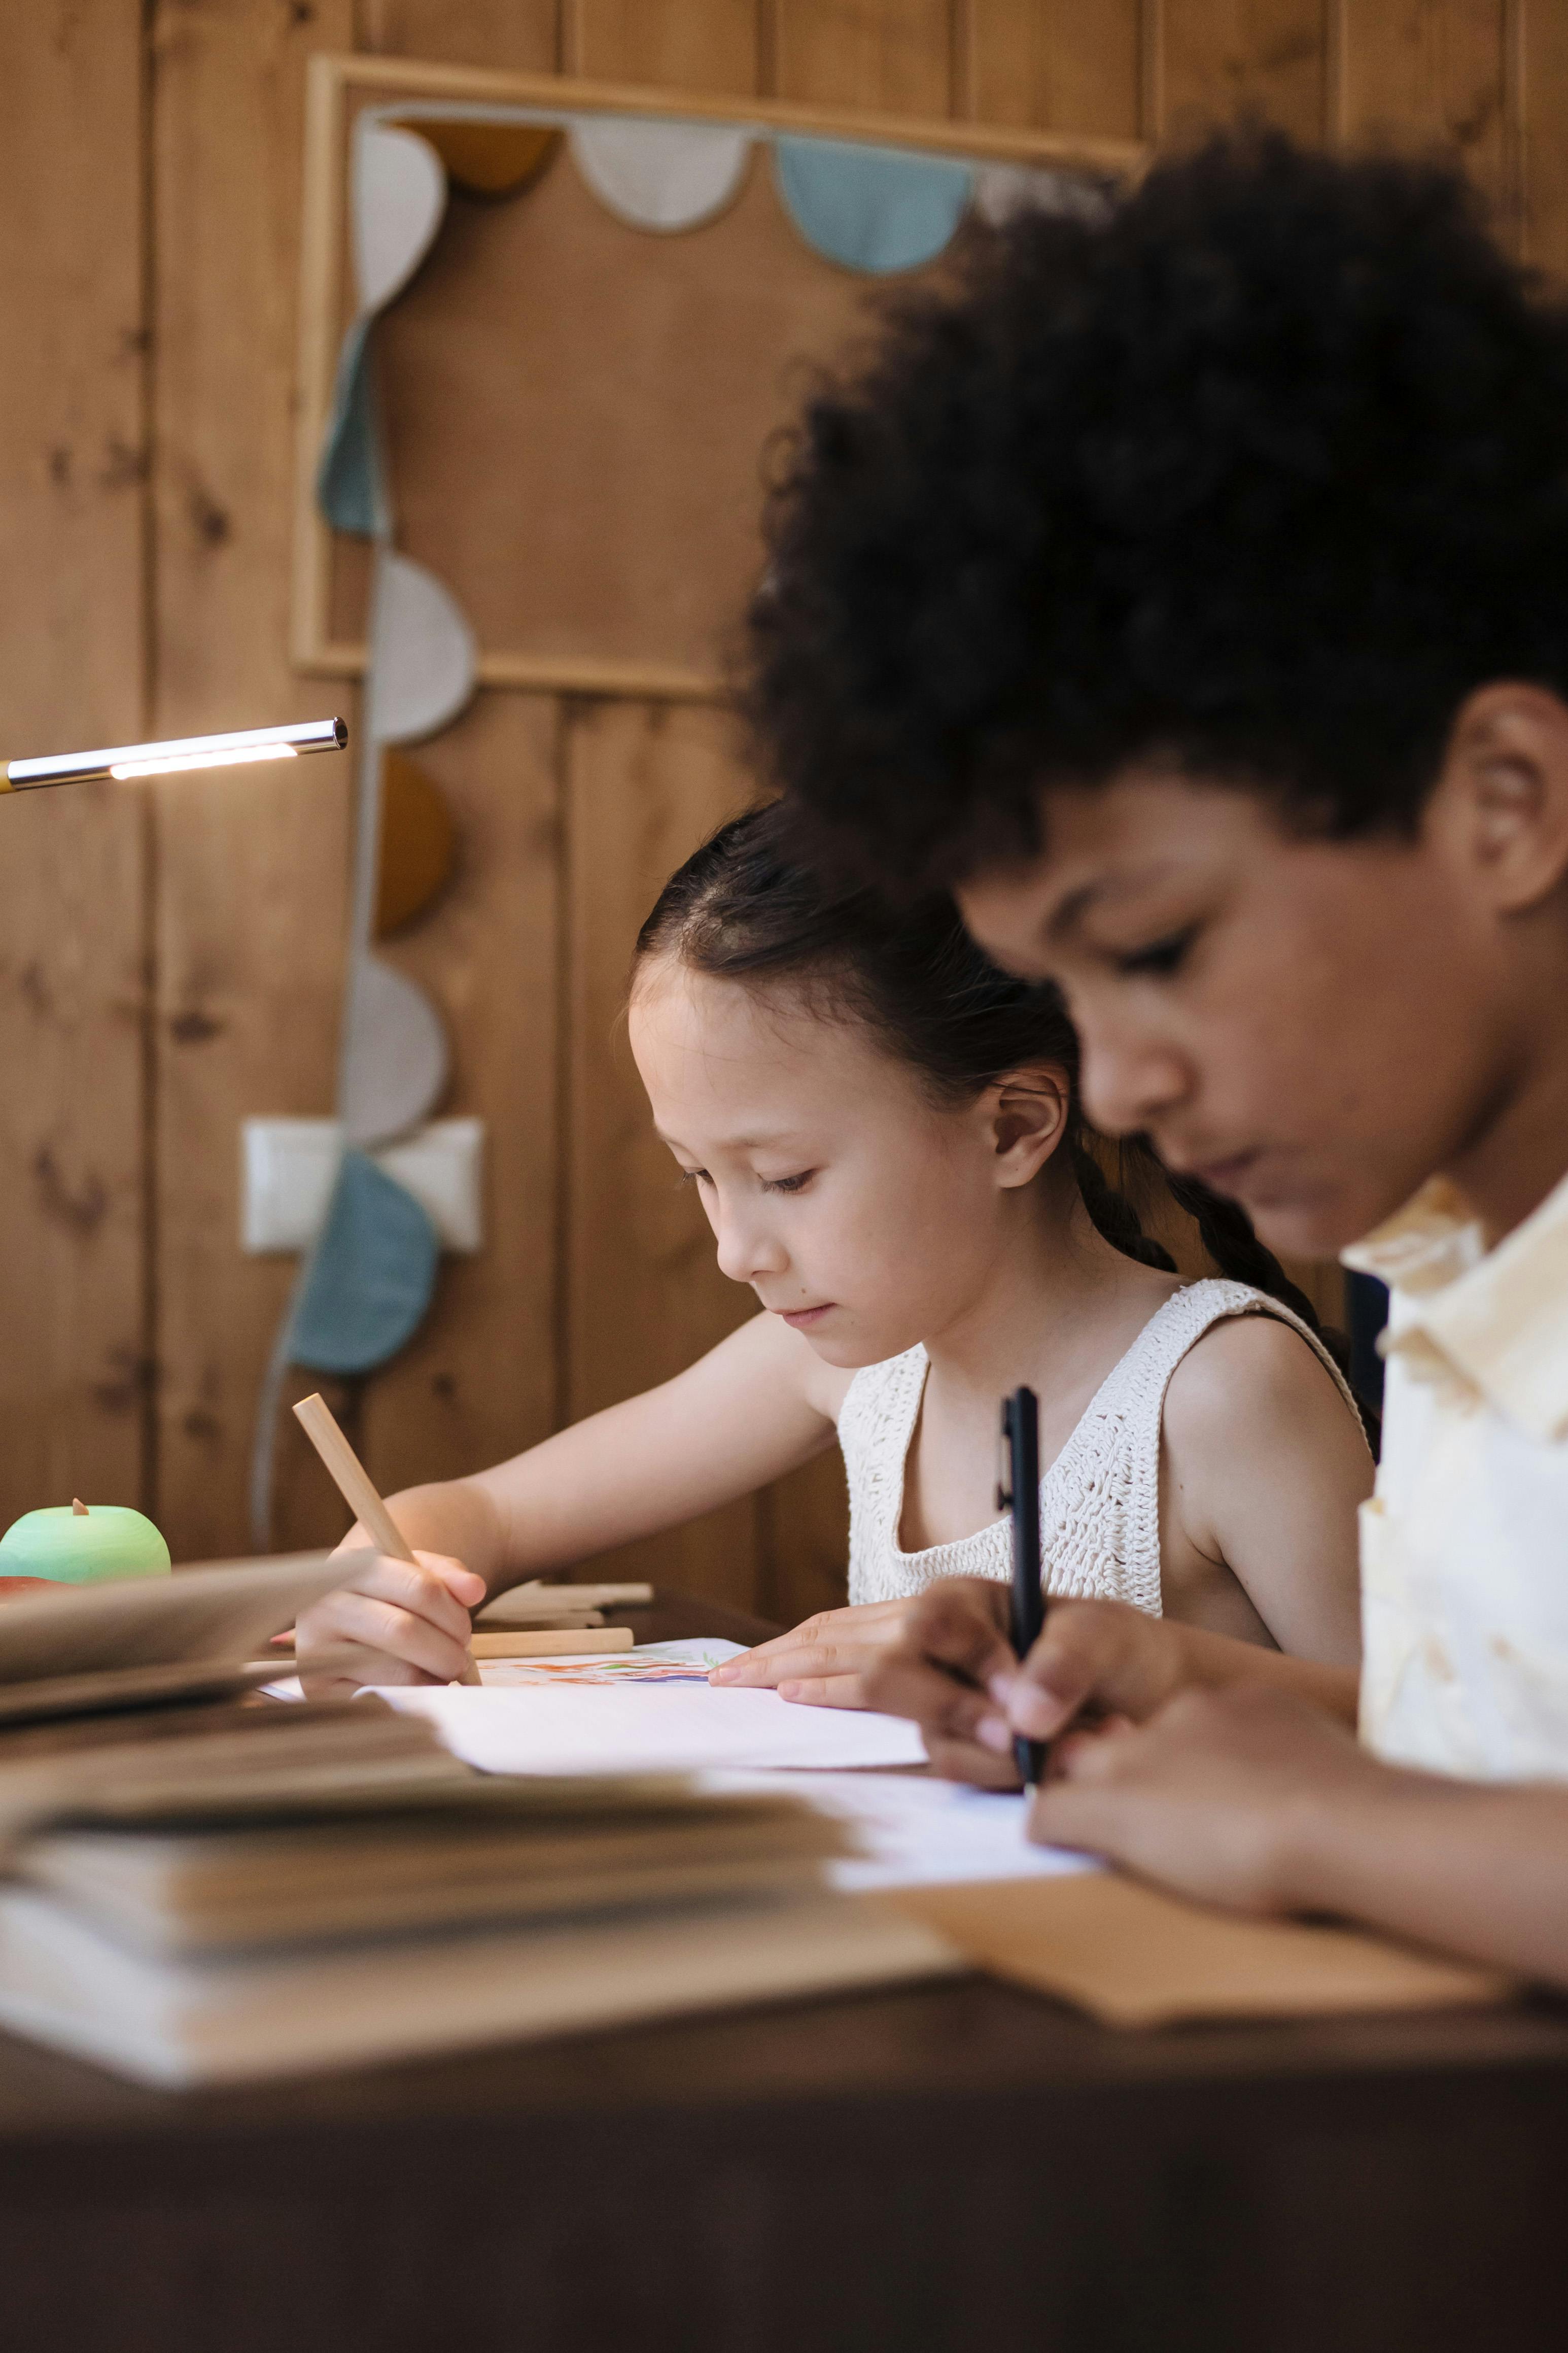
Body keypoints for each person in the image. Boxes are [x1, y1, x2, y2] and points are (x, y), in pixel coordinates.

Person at [740, 127, 1568, 1986]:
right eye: (1067, 992)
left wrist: (1324, 1816)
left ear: (1501, 800)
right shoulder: (1447, 1277)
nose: (1116, 1090)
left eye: (1162, 949)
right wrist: (1222, 1697)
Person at [293, 805, 1370, 1698]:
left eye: (788, 1177)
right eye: (699, 1175)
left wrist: (1130, 1671)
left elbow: (1442, 1740)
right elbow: (492, 1512)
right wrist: (375, 1582)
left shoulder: (1221, 1392)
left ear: (1010, 1127)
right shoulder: (845, 1360)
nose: (733, 1250)